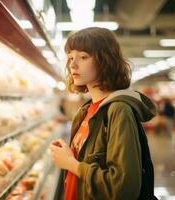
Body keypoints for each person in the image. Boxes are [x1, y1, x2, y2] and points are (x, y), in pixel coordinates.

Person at [50, 27, 156, 200]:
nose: (73, 65)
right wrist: (72, 154)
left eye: (83, 57)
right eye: (70, 58)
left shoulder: (119, 110)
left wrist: (71, 164)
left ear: (105, 61)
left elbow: (123, 188)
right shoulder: (84, 111)